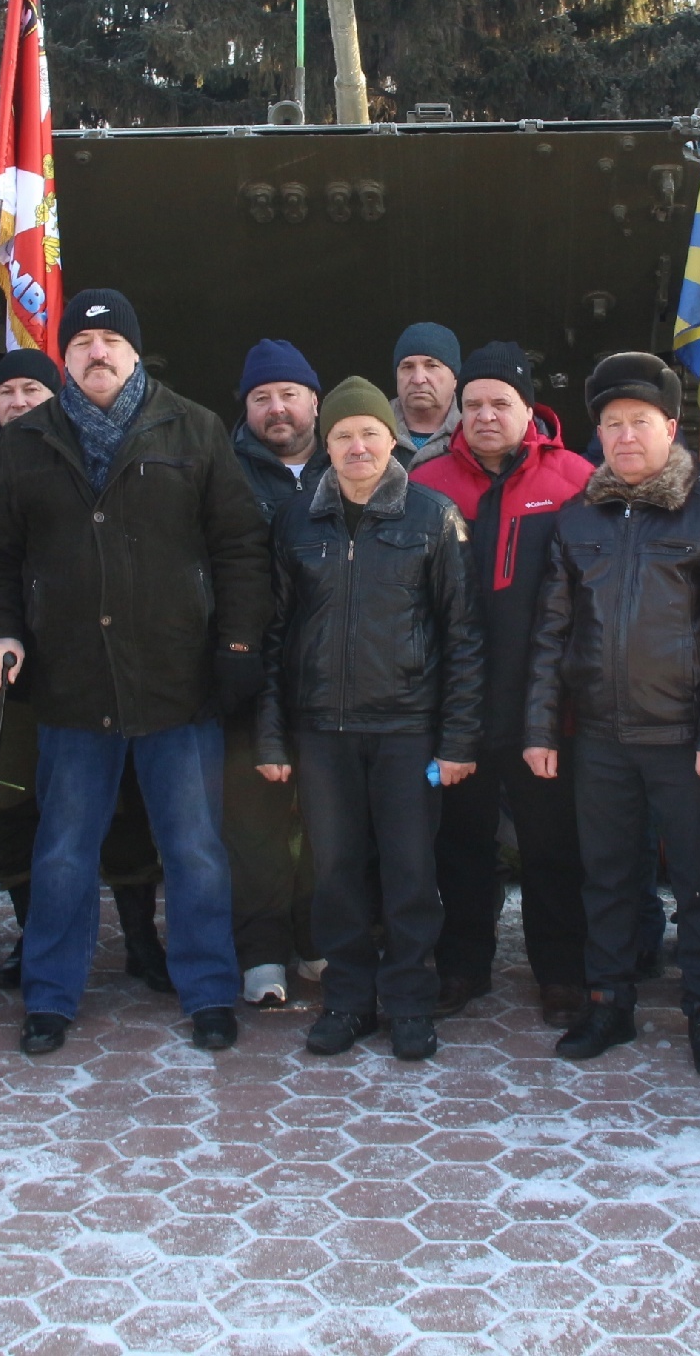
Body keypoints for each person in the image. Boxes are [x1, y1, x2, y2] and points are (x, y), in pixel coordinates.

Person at [0, 290, 272, 1057]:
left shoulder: (192, 428)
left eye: (111, 341)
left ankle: (207, 991)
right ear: (64, 357)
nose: (97, 353)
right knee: (63, 851)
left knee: (194, 848)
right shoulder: (27, 440)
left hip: (177, 680)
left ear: (136, 352)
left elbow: (238, 547)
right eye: (83, 343)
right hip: (71, 684)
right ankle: (51, 996)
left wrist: (237, 646)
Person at [523, 353, 700, 1078]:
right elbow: (550, 632)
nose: (626, 437)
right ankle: (610, 1001)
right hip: (600, 736)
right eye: (612, 424)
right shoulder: (578, 519)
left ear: (670, 426)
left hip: (684, 737)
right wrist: (539, 727)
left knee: (695, 878)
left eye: (640, 423)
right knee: (608, 877)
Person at [256, 376, 485, 1061]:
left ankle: (411, 1002)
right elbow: (274, 635)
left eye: (370, 434)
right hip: (322, 730)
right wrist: (272, 734)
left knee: (412, 874)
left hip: (407, 727)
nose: (358, 447)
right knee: (335, 875)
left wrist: (459, 737)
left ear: (393, 440)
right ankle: (349, 1000)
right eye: (343, 435)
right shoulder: (298, 522)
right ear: (326, 445)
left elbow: (464, 637)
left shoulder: (432, 517)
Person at [0, 350, 172, 995]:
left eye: (31, 387)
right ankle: (34, 937)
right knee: (16, 807)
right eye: (4, 391)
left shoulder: (84, 460)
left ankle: (140, 937)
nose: (16, 401)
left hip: (87, 667)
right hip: (1, 673)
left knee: (118, 802)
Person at [411, 341, 597, 1027]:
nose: (486, 416)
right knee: (460, 845)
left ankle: (561, 972)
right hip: (457, 707)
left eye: (501, 404)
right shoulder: (428, 485)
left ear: (528, 410)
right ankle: (462, 966)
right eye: (475, 404)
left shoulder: (575, 479)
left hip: (546, 704)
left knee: (552, 845)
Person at [226, 338, 326, 1007]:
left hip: (328, 675)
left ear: (314, 401)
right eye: (262, 398)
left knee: (327, 816)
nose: (277, 409)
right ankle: (261, 950)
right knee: (252, 818)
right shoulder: (224, 471)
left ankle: (317, 937)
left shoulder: (352, 460)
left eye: (289, 394)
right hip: (247, 671)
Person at [390, 321, 462, 468]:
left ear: (455, 378)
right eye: (407, 367)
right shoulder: (369, 429)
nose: (418, 379)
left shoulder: (475, 432)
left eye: (431, 366)